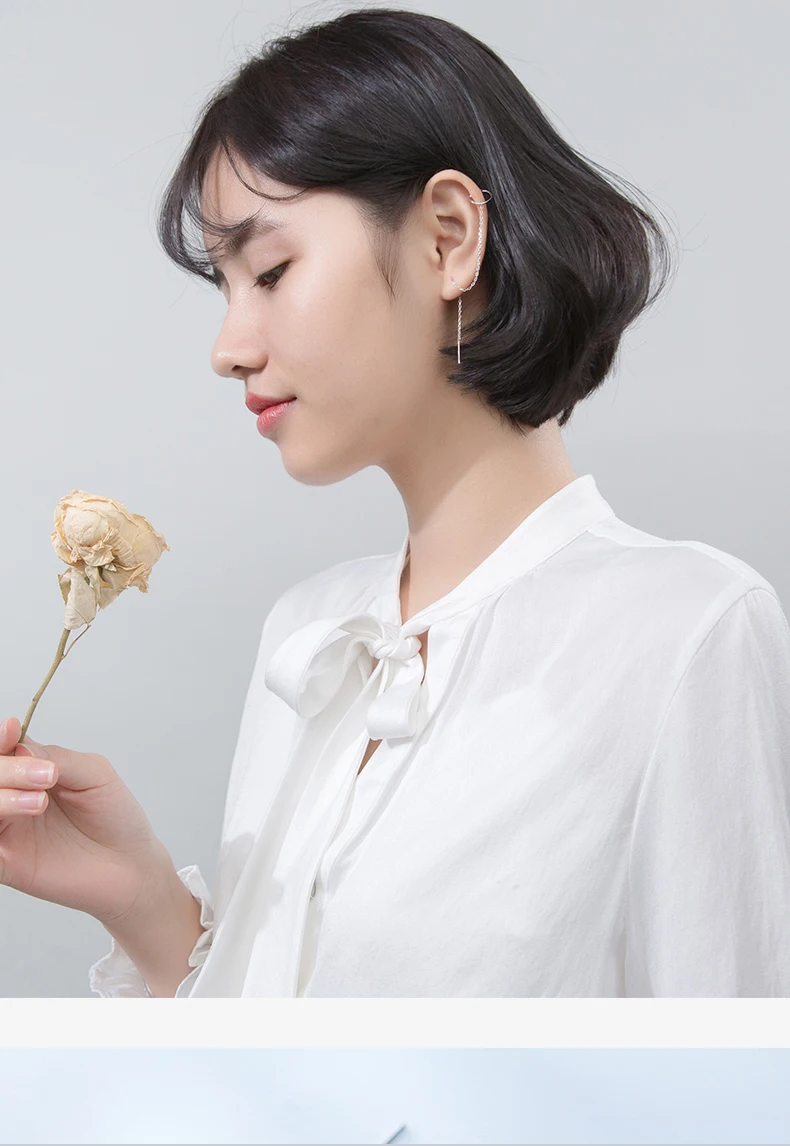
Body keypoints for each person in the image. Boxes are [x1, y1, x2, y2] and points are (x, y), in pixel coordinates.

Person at [2, 7, 790, 998]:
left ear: (449, 238)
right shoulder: (310, 636)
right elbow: (272, 1062)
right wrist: (143, 901)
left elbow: (733, 1070)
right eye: (226, 288)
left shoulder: (681, 634)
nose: (228, 348)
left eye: (271, 271)